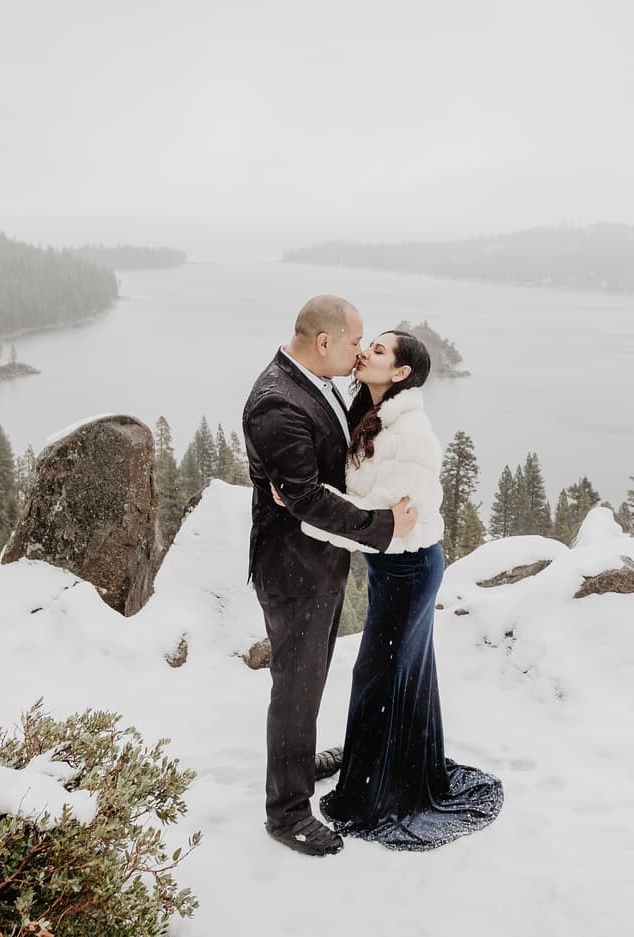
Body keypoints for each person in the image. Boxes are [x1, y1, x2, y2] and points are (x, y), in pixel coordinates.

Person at [299, 329, 504, 850]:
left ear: (401, 374)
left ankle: (377, 795)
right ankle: (404, 771)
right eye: (371, 343)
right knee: (403, 674)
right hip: (393, 567)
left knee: (378, 675)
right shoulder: (372, 413)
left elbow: (381, 522)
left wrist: (300, 509)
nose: (366, 350)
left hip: (409, 569)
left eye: (381, 350)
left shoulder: (412, 435)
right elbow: (360, 500)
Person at [241, 295, 420, 856]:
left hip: (319, 562)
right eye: (352, 342)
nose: (358, 350)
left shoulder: (316, 382)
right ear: (323, 342)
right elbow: (309, 499)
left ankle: (300, 759)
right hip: (293, 569)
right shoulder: (276, 404)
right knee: (295, 685)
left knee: (311, 675)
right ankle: (287, 812)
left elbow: (325, 471)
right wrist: (384, 525)